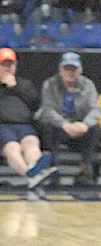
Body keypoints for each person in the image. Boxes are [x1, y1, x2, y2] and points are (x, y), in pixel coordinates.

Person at [0, 47, 58, 189]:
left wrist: (14, 88)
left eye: (11, 64)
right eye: (4, 64)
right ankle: (31, 175)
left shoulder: (25, 85)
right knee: (12, 147)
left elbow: (35, 104)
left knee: (31, 143)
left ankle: (35, 172)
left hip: (24, 125)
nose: (7, 68)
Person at [35, 52, 100, 187]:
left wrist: (85, 125)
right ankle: (53, 170)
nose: (70, 72)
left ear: (80, 70)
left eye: (74, 69)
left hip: (79, 127)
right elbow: (47, 109)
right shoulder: (50, 84)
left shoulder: (88, 85)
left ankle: (84, 170)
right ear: (60, 70)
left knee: (94, 129)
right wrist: (64, 125)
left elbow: (95, 109)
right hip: (58, 127)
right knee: (47, 126)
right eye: (67, 69)